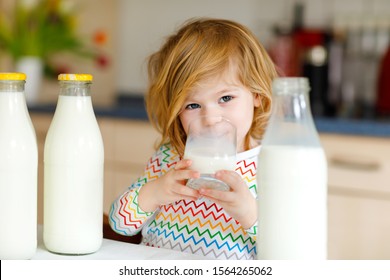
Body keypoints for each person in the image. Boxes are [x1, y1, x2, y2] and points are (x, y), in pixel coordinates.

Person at [109, 18, 278, 260]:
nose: (210, 118)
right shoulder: (169, 158)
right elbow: (119, 223)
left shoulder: (270, 167)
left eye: (226, 98)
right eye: (193, 105)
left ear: (257, 95)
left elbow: (287, 254)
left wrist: (250, 213)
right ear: (176, 111)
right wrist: (154, 193)